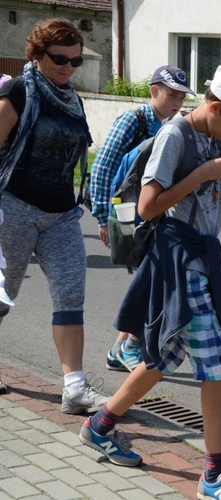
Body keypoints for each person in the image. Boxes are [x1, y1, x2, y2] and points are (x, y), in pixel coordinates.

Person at [77, 65, 221, 499]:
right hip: (178, 257)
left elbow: (215, 195)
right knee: (217, 363)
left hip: (201, 253)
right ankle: (213, 473)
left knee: (164, 356)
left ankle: (100, 424)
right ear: (217, 106)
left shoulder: (215, 134)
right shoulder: (174, 136)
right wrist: (202, 175)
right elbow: (147, 207)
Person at [0, 18, 110, 412]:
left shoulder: (71, 98)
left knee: (70, 295)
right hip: (15, 207)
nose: (68, 67)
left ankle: (75, 388)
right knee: (5, 293)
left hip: (62, 214)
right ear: (37, 53)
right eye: (59, 58)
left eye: (76, 61)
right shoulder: (18, 91)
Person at [89, 64, 195, 373]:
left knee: (150, 277)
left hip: (155, 215)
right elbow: (104, 166)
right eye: (171, 95)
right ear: (154, 91)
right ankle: (127, 345)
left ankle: (120, 347)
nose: (177, 103)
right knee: (150, 278)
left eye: (181, 97)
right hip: (127, 213)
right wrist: (101, 216)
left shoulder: (174, 126)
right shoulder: (132, 120)